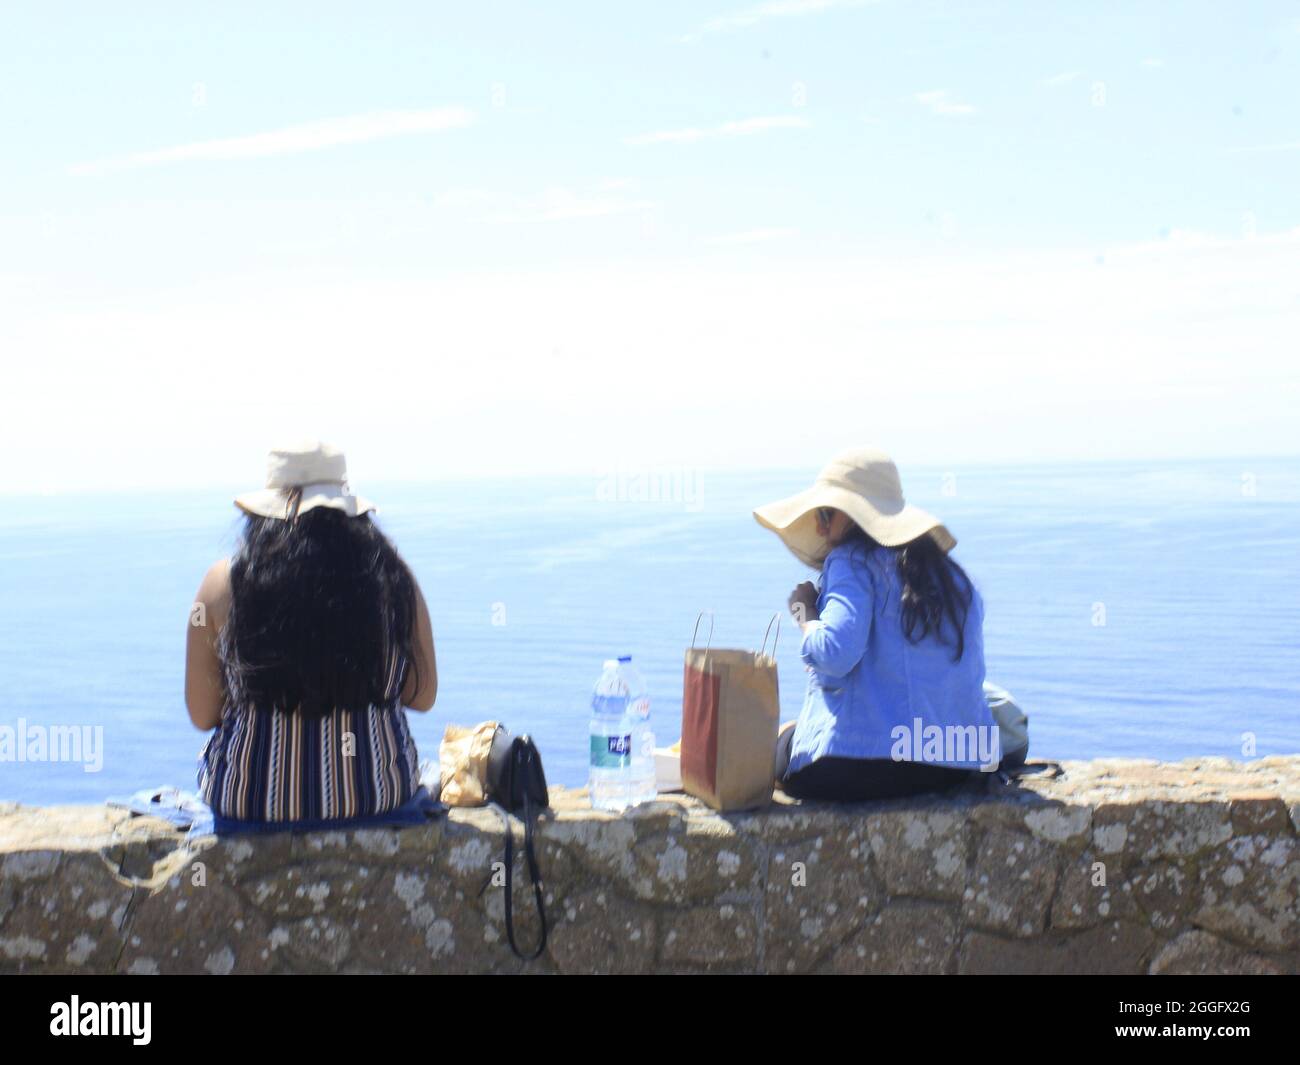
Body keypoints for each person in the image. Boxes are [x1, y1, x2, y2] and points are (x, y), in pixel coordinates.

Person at [185, 441, 438, 830]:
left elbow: (203, 716)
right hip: (376, 794)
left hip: (247, 799)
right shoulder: (393, 578)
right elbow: (423, 697)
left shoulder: (223, 584)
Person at [753, 446, 999, 801]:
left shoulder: (850, 562)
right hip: (955, 765)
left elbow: (836, 652)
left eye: (826, 513)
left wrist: (804, 614)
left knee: (779, 751)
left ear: (855, 516)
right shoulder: (952, 578)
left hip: (864, 764)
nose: (820, 528)